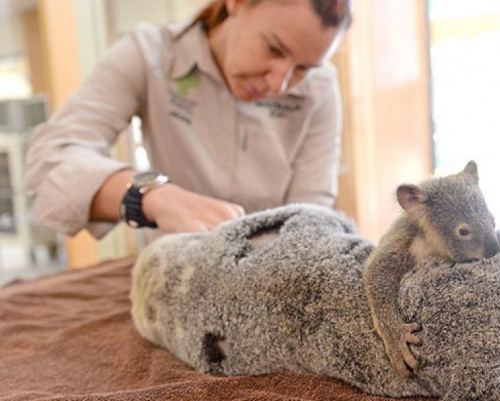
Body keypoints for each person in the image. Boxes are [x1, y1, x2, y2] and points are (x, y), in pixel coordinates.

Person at [25, 0, 352, 239]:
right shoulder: (149, 54)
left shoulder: (320, 89)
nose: (279, 83)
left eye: (303, 68)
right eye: (274, 49)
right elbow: (50, 164)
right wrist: (152, 197)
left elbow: (313, 213)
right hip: (178, 278)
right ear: (236, 4)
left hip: (272, 281)